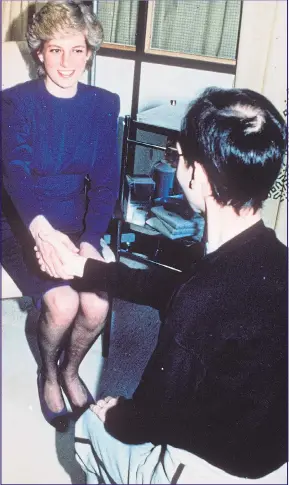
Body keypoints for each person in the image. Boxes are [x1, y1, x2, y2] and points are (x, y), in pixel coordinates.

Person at [36, 87, 287, 483]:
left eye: (179, 155)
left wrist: (115, 413)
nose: (176, 162)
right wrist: (86, 269)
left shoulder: (201, 301)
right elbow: (172, 287)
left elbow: (149, 418)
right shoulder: (269, 257)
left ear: (197, 175)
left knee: (88, 429)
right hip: (271, 455)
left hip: (217, 470)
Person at [1, 0, 120, 432]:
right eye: (55, 50)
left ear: (89, 51)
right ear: (39, 53)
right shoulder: (14, 103)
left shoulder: (104, 104)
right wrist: (44, 234)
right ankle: (48, 373)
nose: (66, 62)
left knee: (97, 303)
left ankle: (71, 369)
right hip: (22, 221)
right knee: (63, 302)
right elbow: (15, 174)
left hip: (77, 222)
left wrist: (90, 240)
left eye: (76, 50)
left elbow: (106, 183)